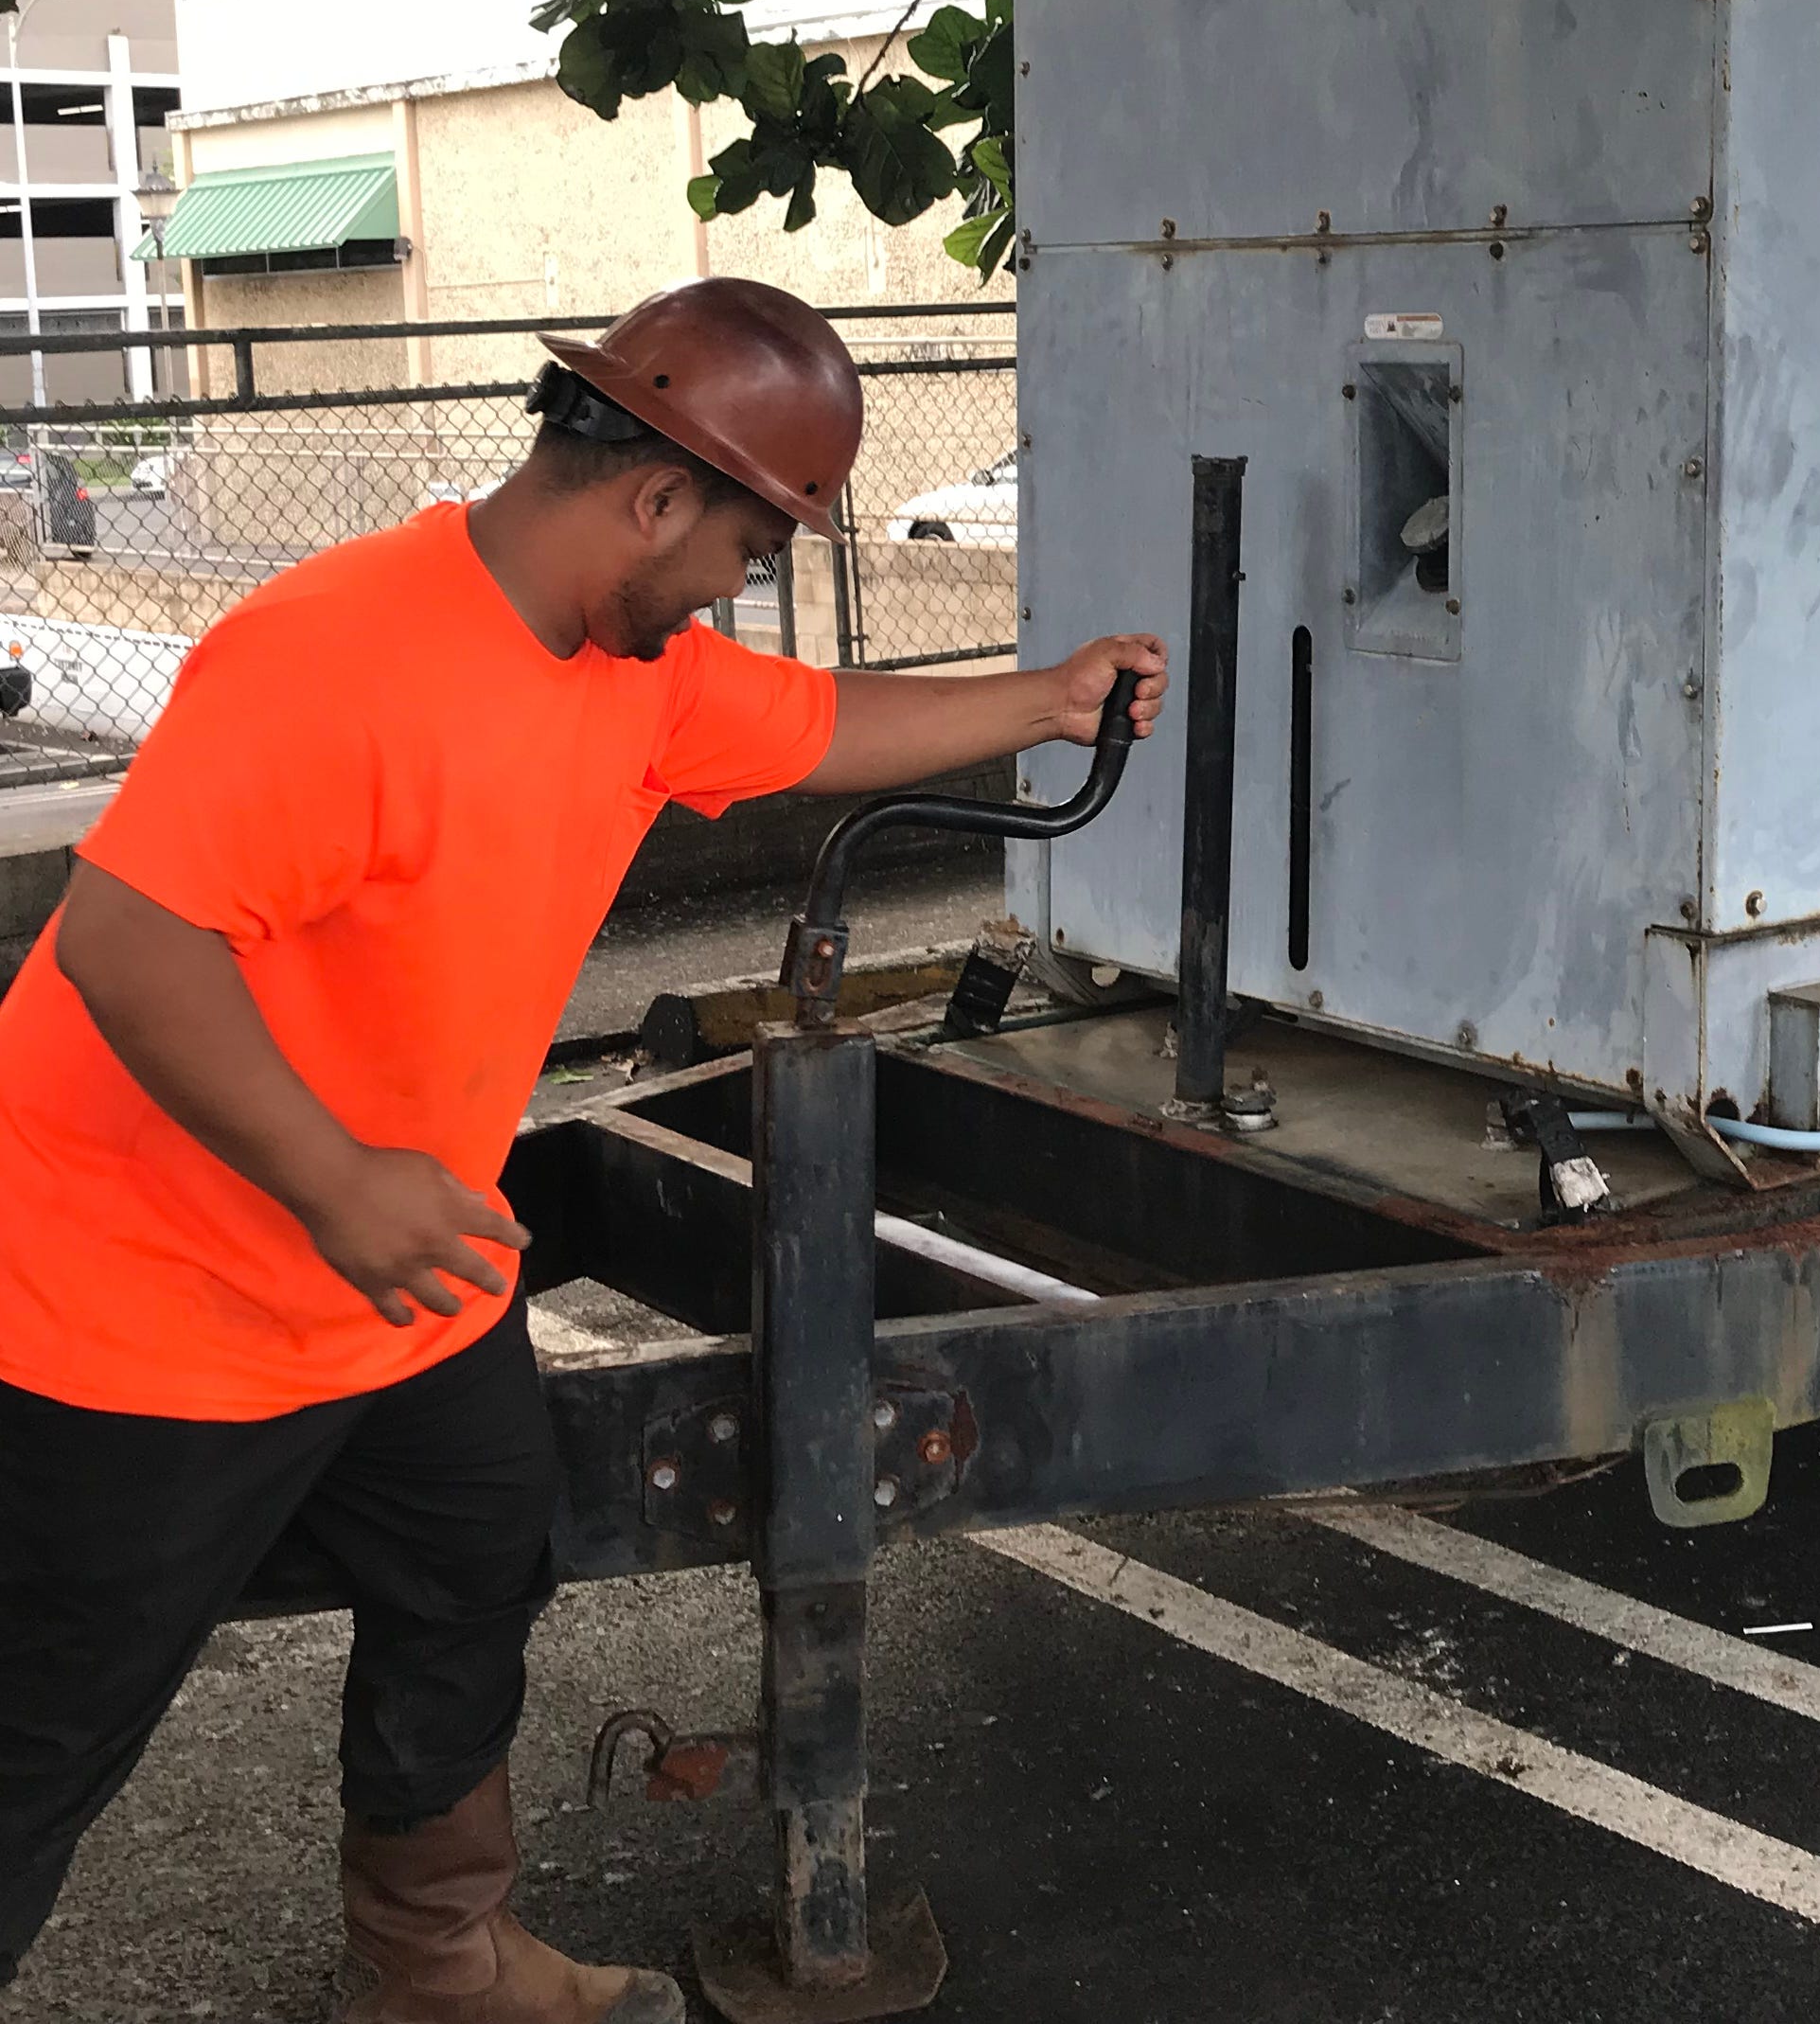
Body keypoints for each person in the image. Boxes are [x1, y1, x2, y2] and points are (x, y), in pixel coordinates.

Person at [0, 279, 1167, 2023]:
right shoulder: (340, 654)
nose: (739, 589)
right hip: (134, 1303)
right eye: (749, 549)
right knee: (47, 1725)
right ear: (655, 498)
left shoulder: (632, 672)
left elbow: (825, 729)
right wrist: (336, 1182)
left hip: (401, 1282)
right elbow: (125, 944)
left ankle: (433, 1962)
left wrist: (1051, 699)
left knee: (475, 1560)